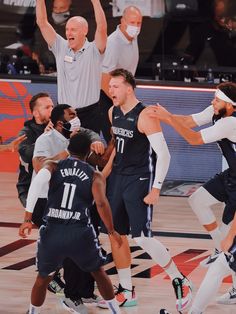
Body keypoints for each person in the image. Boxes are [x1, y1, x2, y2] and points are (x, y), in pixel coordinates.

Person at [97, 69, 192, 312]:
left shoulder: (146, 115)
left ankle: (179, 279)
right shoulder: (112, 111)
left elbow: (164, 154)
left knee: (142, 237)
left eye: (116, 86)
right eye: (110, 87)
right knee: (116, 235)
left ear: (129, 88)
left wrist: (157, 188)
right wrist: (102, 176)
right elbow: (117, 147)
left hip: (139, 179)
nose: (111, 91)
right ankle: (126, 290)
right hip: (118, 177)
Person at [147, 81, 236, 305]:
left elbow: (194, 139)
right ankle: (218, 247)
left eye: (217, 99)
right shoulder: (217, 110)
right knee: (197, 200)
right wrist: (166, 115)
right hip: (230, 176)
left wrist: (167, 119)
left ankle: (235, 287)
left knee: (230, 241)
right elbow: (188, 122)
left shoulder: (230, 122)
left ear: (230, 104)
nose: (212, 102)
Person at [19, 132, 122, 314]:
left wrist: (27, 218)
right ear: (88, 152)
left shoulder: (53, 165)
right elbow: (101, 203)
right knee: (98, 272)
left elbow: (37, 183)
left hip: (53, 231)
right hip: (80, 232)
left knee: (43, 277)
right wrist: (112, 231)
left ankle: (33, 312)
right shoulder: (94, 175)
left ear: (68, 148)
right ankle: (116, 312)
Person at [31, 104, 105, 312]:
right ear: (60, 122)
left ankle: (86, 292)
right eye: (72, 115)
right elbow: (39, 166)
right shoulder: (45, 139)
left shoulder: (80, 135)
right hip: (52, 202)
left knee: (89, 244)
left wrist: (100, 142)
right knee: (72, 251)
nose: (77, 117)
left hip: (79, 198)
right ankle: (71, 296)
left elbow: (94, 144)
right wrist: (69, 151)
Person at [36, 0, 107, 134]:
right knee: (60, 154)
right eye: (67, 29)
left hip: (89, 114)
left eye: (73, 30)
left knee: (88, 154)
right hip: (63, 113)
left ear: (85, 31)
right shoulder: (60, 47)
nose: (68, 33)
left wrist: (96, 2)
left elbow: (102, 27)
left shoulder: (94, 49)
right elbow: (42, 22)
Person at [100, 5, 143, 143]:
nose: (136, 26)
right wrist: (120, 103)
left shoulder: (133, 37)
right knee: (115, 143)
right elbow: (104, 80)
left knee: (126, 141)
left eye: (138, 23)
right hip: (108, 99)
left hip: (123, 98)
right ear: (122, 21)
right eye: (132, 22)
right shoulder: (113, 43)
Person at [16, 92, 53, 210]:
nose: (52, 110)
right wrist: (45, 136)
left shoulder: (58, 126)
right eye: (47, 107)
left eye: (52, 106)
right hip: (30, 189)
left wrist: (94, 140)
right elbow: (27, 155)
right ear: (35, 113)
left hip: (53, 187)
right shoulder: (25, 132)